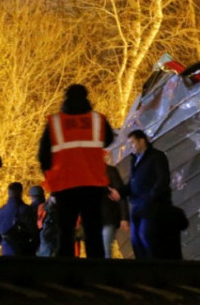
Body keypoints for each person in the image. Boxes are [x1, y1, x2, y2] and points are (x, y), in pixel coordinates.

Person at [38, 84, 115, 258]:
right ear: (87, 97)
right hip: (93, 183)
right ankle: (96, 269)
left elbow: (43, 156)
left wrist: (50, 176)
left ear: (66, 98)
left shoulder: (55, 123)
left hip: (65, 185)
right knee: (93, 230)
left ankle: (67, 268)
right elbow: (108, 140)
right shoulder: (98, 120)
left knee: (65, 230)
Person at [109, 130, 178, 259]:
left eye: (132, 143)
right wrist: (120, 192)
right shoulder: (134, 161)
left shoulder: (156, 156)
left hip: (152, 207)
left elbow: (162, 180)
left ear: (142, 141)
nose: (131, 147)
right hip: (137, 207)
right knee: (136, 242)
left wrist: (151, 198)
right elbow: (132, 184)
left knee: (147, 238)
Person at [0, 183, 39, 256]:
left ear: (9, 193)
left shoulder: (0, 212)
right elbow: (33, 231)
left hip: (6, 250)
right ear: (21, 192)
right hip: (23, 250)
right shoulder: (25, 210)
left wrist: (4, 242)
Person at [102, 155, 130, 259]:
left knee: (105, 251)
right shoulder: (89, 175)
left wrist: (124, 218)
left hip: (108, 218)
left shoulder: (110, 171)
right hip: (96, 220)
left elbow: (120, 196)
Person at [30, 186, 59, 257]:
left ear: (31, 197)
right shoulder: (49, 208)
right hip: (49, 245)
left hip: (37, 245)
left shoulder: (29, 209)